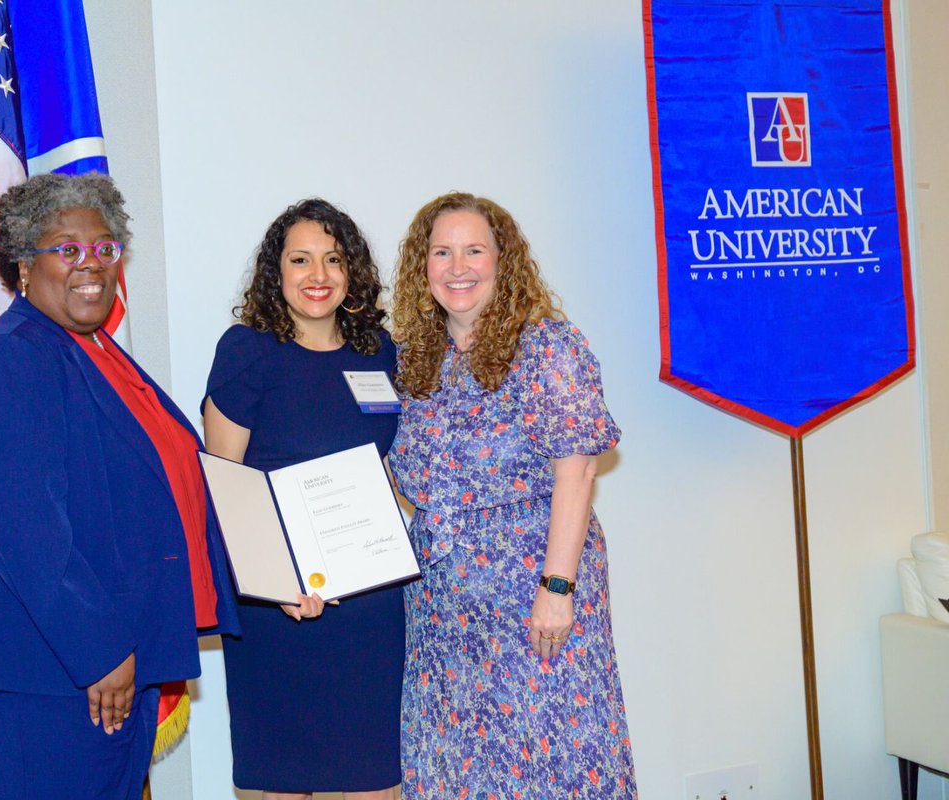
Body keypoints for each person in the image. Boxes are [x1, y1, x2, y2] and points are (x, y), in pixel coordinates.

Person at [0, 172, 239, 799]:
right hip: (41, 670)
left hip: (97, 660)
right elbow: (25, 529)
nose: (90, 264)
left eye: (103, 248)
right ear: (21, 267)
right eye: (66, 249)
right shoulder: (16, 358)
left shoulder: (93, 352)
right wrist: (100, 649)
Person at [388, 192, 637, 798]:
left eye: (474, 250)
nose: (458, 266)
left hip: (530, 595)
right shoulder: (416, 361)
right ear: (422, 269)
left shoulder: (547, 346)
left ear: (505, 261)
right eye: (441, 252)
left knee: (547, 751)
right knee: (454, 759)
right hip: (442, 607)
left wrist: (556, 588)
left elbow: (576, 472)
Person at [202, 198, 403, 799]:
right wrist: (277, 583)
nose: (318, 276)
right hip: (279, 613)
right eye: (301, 260)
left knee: (371, 783)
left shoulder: (380, 353)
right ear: (276, 272)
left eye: (333, 260)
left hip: (367, 612)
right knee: (283, 785)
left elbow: (386, 471)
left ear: (353, 271)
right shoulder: (248, 350)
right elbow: (224, 482)